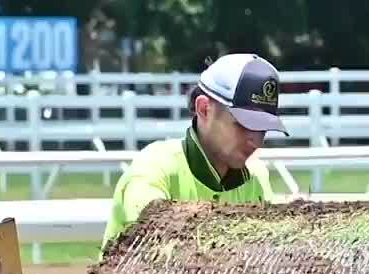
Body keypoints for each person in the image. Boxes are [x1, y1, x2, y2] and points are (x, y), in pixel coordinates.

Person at [102, 53, 288, 247]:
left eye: (262, 128)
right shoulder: (154, 168)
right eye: (243, 124)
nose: (256, 141)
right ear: (204, 109)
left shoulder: (256, 177)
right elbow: (151, 237)